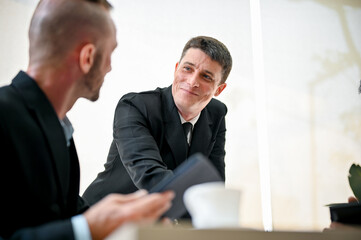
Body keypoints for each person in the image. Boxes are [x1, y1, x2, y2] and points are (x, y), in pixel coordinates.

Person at [0, 0, 174, 239]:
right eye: (110, 53)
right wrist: (88, 228)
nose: (110, 67)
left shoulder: (62, 133)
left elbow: (65, 216)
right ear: (88, 57)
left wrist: (128, 220)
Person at [83, 36, 233, 206]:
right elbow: (151, 177)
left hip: (160, 222)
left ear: (219, 89)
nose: (192, 82)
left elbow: (213, 185)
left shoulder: (217, 113)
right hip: (104, 217)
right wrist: (205, 202)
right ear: (176, 69)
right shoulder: (134, 106)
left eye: (206, 76)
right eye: (187, 69)